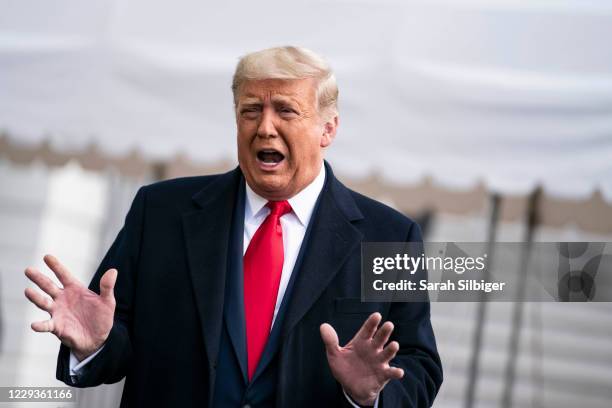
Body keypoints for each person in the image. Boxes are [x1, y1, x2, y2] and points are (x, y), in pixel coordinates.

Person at [24, 46, 442, 407]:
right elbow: (116, 341)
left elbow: (420, 368)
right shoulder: (161, 212)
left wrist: (367, 396)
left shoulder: (391, 238)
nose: (265, 127)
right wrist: (96, 345)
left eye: (285, 110)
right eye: (251, 111)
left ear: (327, 128)